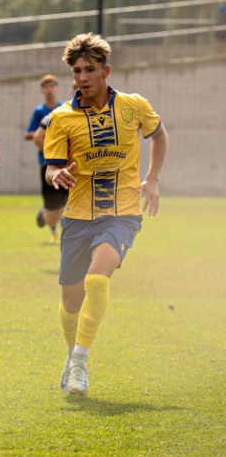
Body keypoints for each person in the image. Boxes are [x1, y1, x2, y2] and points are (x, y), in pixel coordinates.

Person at [44, 33, 169, 395]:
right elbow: (51, 169)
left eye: (90, 69)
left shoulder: (134, 106)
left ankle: (81, 362)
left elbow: (159, 136)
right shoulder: (61, 118)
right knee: (70, 302)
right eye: (77, 70)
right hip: (78, 216)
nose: (82, 77)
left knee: (97, 279)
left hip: (122, 213)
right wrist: (57, 174)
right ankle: (71, 355)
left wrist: (152, 179)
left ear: (106, 71)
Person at [24, 75, 66, 244]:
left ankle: (66, 232)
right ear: (42, 90)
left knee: (69, 199)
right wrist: (42, 133)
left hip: (66, 162)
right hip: (46, 162)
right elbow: (30, 133)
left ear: (57, 88)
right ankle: (46, 215)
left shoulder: (64, 108)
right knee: (53, 205)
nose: (49, 89)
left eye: (52, 86)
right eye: (46, 87)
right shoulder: (39, 112)